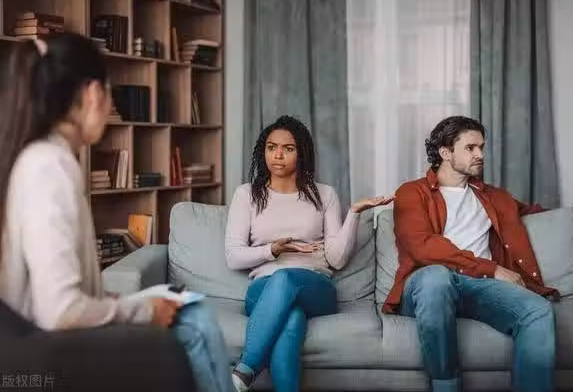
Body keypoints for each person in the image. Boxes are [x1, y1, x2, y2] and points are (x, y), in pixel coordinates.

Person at [0, 33, 233, 392]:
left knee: (187, 309)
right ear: (94, 93)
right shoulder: (49, 168)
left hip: (44, 338)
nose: (110, 108)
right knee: (196, 319)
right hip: (49, 347)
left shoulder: (41, 159)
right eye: (111, 95)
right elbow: (59, 310)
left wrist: (114, 303)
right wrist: (144, 311)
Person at [384, 115, 573, 392]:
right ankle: (446, 385)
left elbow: (540, 214)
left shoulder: (494, 197)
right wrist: (491, 268)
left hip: (480, 287)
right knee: (436, 278)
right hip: (428, 288)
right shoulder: (412, 193)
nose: (480, 155)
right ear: (445, 152)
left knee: (537, 310)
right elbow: (422, 246)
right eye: (470, 148)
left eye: (482, 147)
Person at [224, 115, 393, 392]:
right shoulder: (247, 195)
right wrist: (272, 250)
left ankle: (245, 369)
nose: (278, 155)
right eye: (271, 147)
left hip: (315, 288)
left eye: (288, 148)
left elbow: (337, 259)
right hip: (263, 290)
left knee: (286, 277)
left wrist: (353, 213)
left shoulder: (324, 194)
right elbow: (233, 256)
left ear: (301, 153)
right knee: (290, 319)